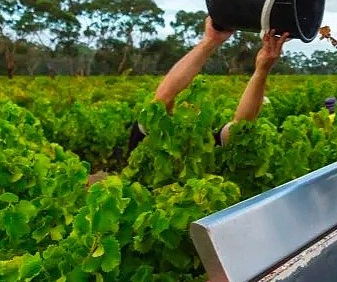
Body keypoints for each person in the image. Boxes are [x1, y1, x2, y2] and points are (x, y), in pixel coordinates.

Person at [88, 16, 290, 186]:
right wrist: (209, 42)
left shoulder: (205, 145)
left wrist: (262, 69)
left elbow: (241, 127)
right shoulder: (151, 139)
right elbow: (162, 99)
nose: (189, 109)